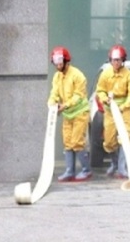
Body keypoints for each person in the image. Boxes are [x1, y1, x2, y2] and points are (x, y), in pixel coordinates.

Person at [47, 46, 92, 182]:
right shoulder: (57, 76)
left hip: (80, 113)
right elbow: (54, 93)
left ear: (66, 61)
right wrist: (51, 103)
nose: (58, 65)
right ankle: (69, 171)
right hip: (68, 115)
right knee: (67, 143)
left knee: (77, 142)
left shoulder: (78, 76)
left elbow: (78, 96)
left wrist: (64, 105)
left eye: (60, 62)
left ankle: (86, 170)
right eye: (56, 63)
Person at [94, 44, 130, 179]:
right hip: (110, 110)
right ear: (110, 60)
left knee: (125, 138)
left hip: (125, 111)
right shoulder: (106, 74)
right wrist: (105, 99)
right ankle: (115, 163)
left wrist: (124, 106)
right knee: (109, 141)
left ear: (123, 60)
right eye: (114, 60)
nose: (116, 62)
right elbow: (100, 90)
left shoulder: (128, 75)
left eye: (118, 60)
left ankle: (122, 167)